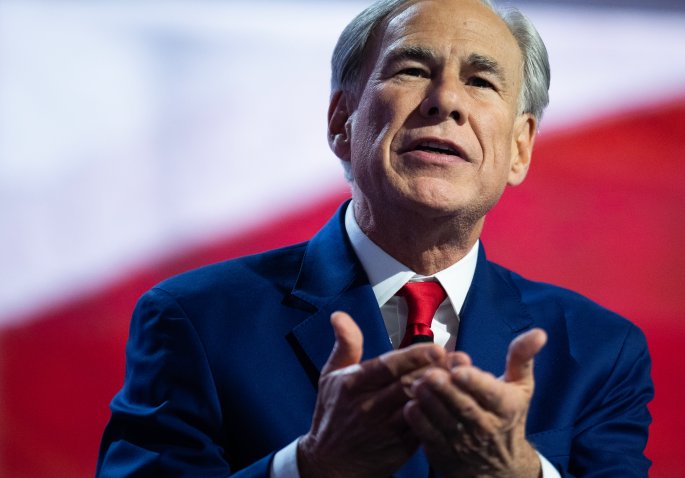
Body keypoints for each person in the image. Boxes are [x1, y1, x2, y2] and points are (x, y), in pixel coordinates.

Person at [96, 0, 654, 476]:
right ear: (343, 120)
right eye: (412, 69)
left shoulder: (600, 353)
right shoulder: (196, 319)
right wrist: (311, 467)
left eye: (481, 81)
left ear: (520, 148)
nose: (447, 101)